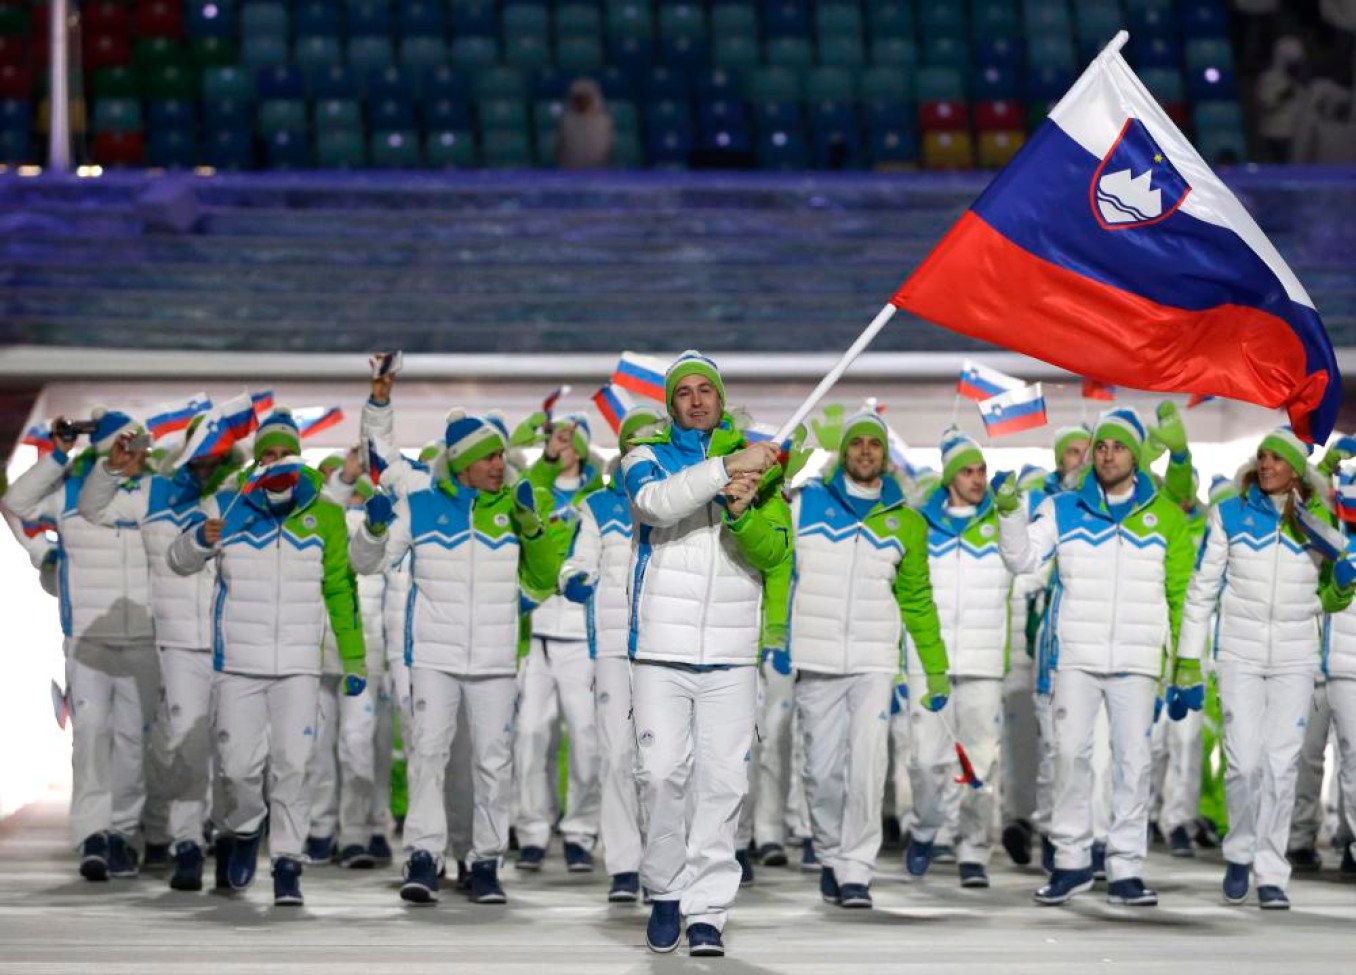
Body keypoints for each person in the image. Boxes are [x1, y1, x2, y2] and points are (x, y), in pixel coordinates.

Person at [349, 375, 557, 906]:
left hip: (493, 660)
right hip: (434, 658)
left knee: (492, 762)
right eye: (489, 458)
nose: (498, 466)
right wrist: (371, 530)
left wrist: (534, 529)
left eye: (502, 457)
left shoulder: (513, 505)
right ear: (463, 462)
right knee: (428, 753)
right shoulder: (420, 503)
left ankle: (484, 862)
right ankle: (423, 856)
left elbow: (543, 579)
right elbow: (365, 563)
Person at [620, 351, 789, 957]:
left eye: (706, 391)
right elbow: (656, 505)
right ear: (670, 406)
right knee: (660, 775)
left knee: (723, 784)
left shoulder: (763, 468)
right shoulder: (644, 458)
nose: (696, 400)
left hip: (731, 653)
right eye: (684, 393)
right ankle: (665, 890)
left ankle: (708, 912)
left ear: (720, 399)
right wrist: (725, 469)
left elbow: (774, 555)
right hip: (659, 650)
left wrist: (743, 511)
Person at [997, 407, 1194, 907]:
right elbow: (1021, 559)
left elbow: (1182, 596)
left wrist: (1186, 662)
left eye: (1118, 446)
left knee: (1132, 763)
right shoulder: (1062, 508)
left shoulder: (1166, 516)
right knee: (1068, 758)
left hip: (1138, 657)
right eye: (1101, 447)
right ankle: (1070, 862)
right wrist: (1009, 513)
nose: (1107, 455)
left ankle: (1125, 868)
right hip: (1078, 658)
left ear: (1136, 455)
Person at [169, 408, 366, 906]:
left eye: (284, 454)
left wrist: (354, 659)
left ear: (298, 457)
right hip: (238, 665)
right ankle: (245, 826)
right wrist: (197, 540)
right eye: (268, 454)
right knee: (238, 769)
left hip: (299, 666)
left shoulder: (325, 513)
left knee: (294, 766)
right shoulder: (226, 505)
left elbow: (341, 589)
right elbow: (177, 560)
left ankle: (287, 864)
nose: (275, 463)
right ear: (256, 459)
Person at [1177, 427, 1355, 909]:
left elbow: (1331, 598)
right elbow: (1201, 590)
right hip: (1240, 654)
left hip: (1296, 658)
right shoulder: (1229, 514)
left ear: (1297, 470)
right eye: (1263, 457)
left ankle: (1272, 872)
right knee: (1244, 763)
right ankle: (1239, 851)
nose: (1268, 465)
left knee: (1282, 766)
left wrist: (1341, 584)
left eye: (1278, 459)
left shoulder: (1317, 521)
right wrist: (1188, 660)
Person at [76, 412, 242, 891]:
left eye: (217, 450)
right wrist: (110, 469)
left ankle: (232, 833)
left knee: (237, 751)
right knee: (186, 748)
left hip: (236, 643)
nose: (208, 460)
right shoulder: (155, 493)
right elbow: (92, 510)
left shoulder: (241, 497)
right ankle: (187, 844)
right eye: (201, 450)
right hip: (174, 643)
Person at [789, 410, 947, 908]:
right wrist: (770, 636)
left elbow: (918, 599)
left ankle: (856, 868)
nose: (864, 451)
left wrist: (935, 668)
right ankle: (831, 850)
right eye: (856, 443)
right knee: (820, 770)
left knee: (867, 766)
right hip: (813, 656)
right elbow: (769, 561)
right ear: (844, 452)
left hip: (875, 661)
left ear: (884, 454)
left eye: (873, 444)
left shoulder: (906, 521)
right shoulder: (805, 503)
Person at [4, 409, 159, 882]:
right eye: (126, 446)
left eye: (138, 448)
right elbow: (15, 502)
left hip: (145, 640)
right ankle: (93, 835)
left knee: (133, 746)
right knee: (91, 739)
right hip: (87, 639)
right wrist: (57, 453)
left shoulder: (155, 495)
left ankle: (122, 836)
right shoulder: (68, 493)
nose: (135, 455)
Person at [556, 404, 665, 901]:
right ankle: (623, 864)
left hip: (668, 646)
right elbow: (580, 557)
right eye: (633, 447)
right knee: (618, 754)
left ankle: (663, 862)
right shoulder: (598, 505)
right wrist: (574, 578)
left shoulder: (679, 500)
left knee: (663, 761)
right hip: (615, 648)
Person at [907, 428, 1010, 888]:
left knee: (981, 763)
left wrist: (1017, 512)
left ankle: (973, 848)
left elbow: (1027, 562)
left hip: (983, 660)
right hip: (929, 658)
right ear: (950, 477)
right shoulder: (921, 525)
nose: (976, 478)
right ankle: (927, 828)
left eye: (981, 470)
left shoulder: (1000, 524)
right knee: (927, 761)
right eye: (967, 471)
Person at [514, 412, 604, 874]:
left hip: (582, 634)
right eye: (556, 440)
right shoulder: (538, 487)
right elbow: (522, 491)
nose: (563, 445)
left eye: (571, 439)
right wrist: (545, 458)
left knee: (586, 739)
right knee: (530, 735)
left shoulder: (599, 496)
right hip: (536, 631)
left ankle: (580, 832)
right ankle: (531, 832)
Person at [305, 453, 392, 869]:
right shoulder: (316, 523)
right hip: (314, 654)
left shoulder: (378, 529)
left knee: (357, 747)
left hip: (365, 655)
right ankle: (320, 830)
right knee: (318, 749)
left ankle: (354, 833)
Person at [555, 78, 613, 169]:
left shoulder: (604, 121)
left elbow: (606, 151)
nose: (581, 102)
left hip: (599, 173)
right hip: (570, 173)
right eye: (578, 99)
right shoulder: (566, 121)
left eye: (585, 98)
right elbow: (560, 149)